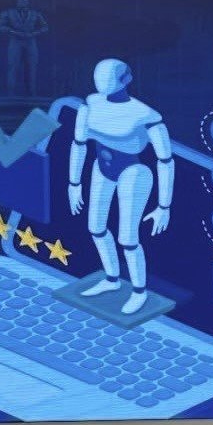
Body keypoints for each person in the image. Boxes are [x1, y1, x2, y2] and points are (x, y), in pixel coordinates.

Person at [66, 59, 173, 315]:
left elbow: (165, 160)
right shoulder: (89, 105)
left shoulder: (145, 115)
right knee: (96, 228)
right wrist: (74, 183)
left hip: (133, 173)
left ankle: (139, 291)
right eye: (98, 76)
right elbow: (78, 144)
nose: (101, 82)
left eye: (108, 77)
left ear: (126, 79)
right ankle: (112, 278)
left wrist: (164, 205)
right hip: (101, 168)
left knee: (128, 237)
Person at [0, 0, 48, 95]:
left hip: (31, 42)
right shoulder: (7, 13)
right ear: (16, 1)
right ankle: (11, 93)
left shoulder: (35, 13)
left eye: (25, 0)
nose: (23, 2)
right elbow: (0, 26)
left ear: (29, 2)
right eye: (21, 0)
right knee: (13, 66)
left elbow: (45, 27)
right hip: (15, 41)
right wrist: (14, 32)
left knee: (32, 67)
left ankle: (32, 92)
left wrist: (34, 33)